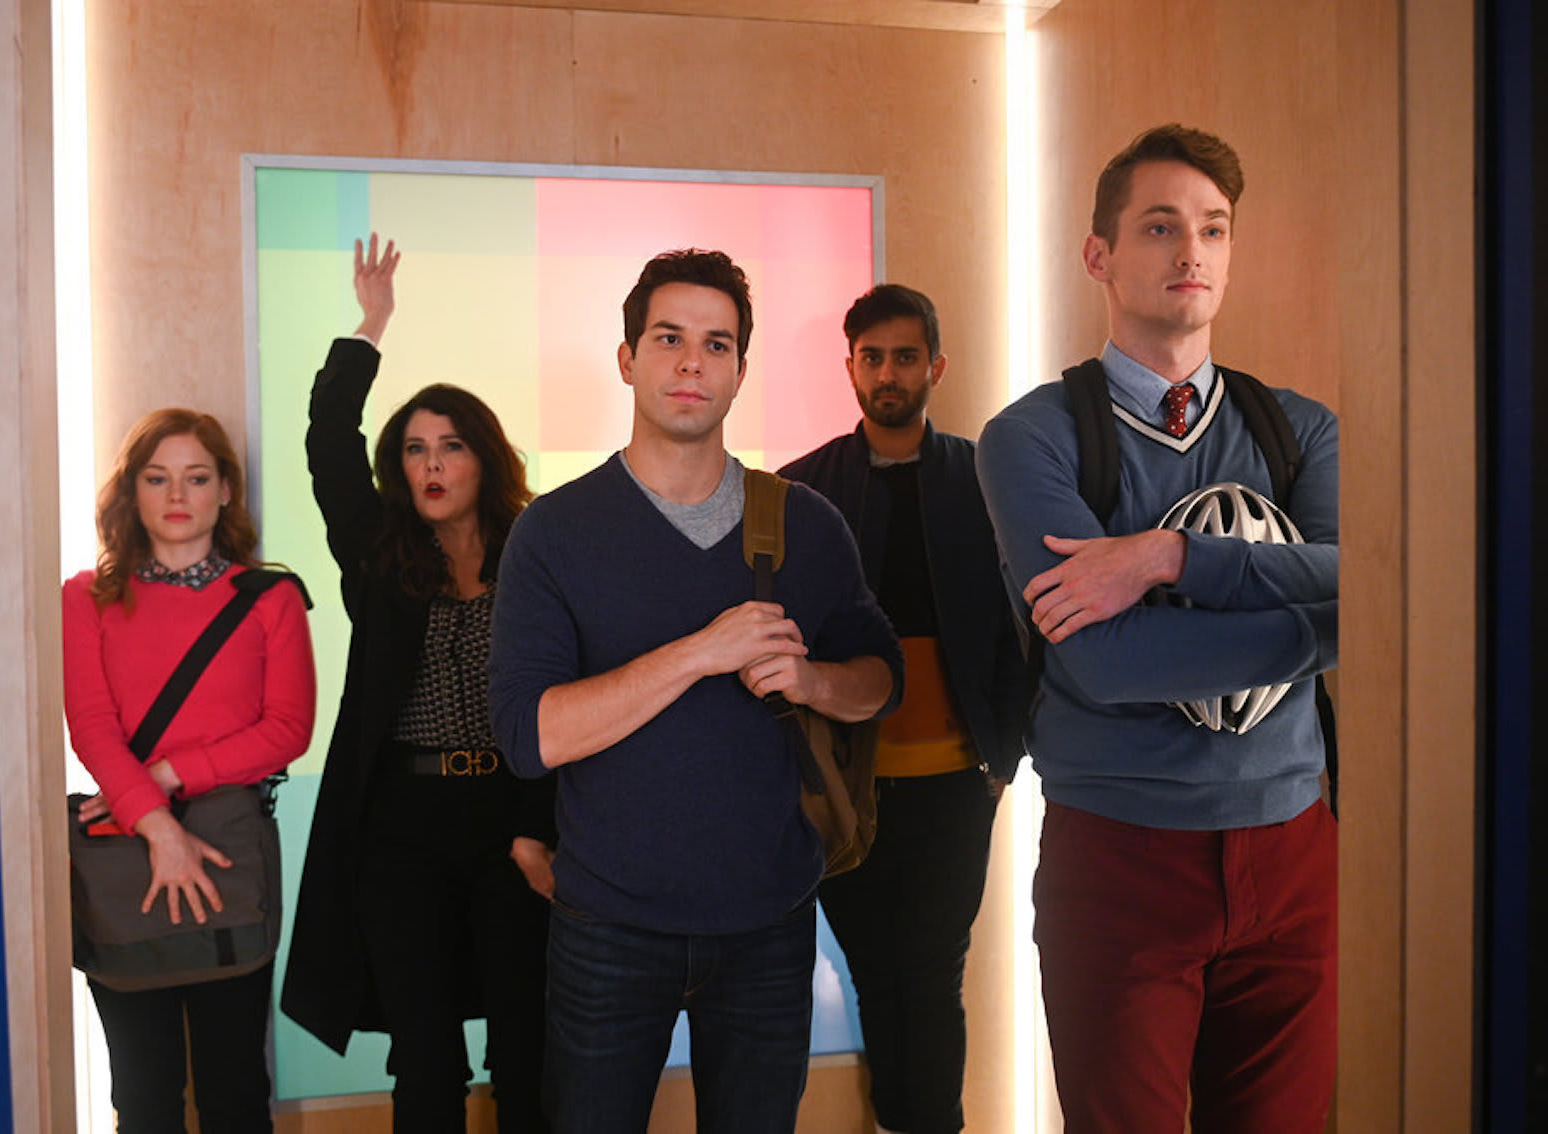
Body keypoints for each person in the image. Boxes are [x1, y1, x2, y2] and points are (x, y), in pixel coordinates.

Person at [487, 249, 904, 1133]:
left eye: (715, 345)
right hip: (606, 924)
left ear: (740, 371)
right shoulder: (552, 532)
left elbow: (880, 681)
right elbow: (531, 735)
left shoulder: (804, 522)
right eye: (668, 338)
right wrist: (698, 653)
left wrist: (815, 679)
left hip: (770, 920)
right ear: (627, 358)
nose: (690, 362)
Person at [976, 124, 1339, 1133]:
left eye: (1214, 229)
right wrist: (1309, 620)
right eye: (1161, 226)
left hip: (1296, 852)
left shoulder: (1299, 429)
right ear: (1100, 255)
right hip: (1122, 860)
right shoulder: (1033, 437)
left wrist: (1167, 559)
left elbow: (1367, 596)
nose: (1192, 253)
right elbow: (1103, 660)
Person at [281, 234, 556, 1133]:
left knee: (528, 1049)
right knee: (425, 1058)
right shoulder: (379, 558)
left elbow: (558, 704)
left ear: (483, 458)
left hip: (510, 822)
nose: (431, 465)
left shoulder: (536, 555)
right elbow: (326, 441)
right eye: (413, 450)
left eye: (449, 447)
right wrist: (370, 326)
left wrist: (534, 828)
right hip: (400, 829)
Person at [778, 283, 1027, 1134]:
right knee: (872, 972)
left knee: (931, 973)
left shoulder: (984, 482)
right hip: (840, 784)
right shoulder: (800, 491)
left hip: (957, 780)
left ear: (936, 367)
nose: (888, 373)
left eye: (905, 356)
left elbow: (1019, 629)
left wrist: (1006, 756)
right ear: (849, 365)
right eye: (872, 356)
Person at [63, 408, 317, 1132]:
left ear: (225, 492)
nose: (177, 495)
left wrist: (172, 777)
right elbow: (92, 729)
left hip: (229, 852)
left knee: (235, 1090)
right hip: (123, 860)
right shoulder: (84, 599)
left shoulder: (268, 598)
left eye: (197, 477)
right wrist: (159, 829)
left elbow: (287, 730)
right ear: (131, 493)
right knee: (142, 1098)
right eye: (157, 477)